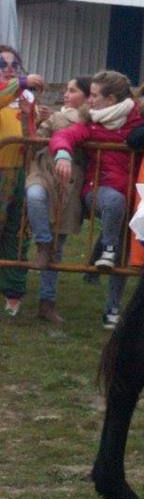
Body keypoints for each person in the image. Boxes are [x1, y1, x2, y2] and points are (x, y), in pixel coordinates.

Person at [50, 70, 144, 328]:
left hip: (138, 196)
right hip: (99, 190)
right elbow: (65, 135)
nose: (89, 100)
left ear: (111, 98)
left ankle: (113, 309)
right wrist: (62, 153)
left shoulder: (140, 121)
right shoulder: (90, 123)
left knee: (124, 256)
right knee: (114, 203)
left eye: (93, 95)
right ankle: (107, 247)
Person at [25, 74, 92, 323]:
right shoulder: (55, 116)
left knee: (59, 247)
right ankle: (42, 241)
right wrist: (32, 118)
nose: (66, 94)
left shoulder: (93, 122)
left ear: (87, 96)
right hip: (44, 171)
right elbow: (33, 138)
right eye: (66, 89)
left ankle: (47, 302)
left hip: (69, 184)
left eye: (73, 90)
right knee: (34, 195)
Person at [0, 46, 44, 316]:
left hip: (21, 172)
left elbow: (32, 138)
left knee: (18, 232)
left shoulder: (24, 95)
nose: (9, 68)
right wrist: (22, 82)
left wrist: (29, 115)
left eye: (14, 64)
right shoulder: (12, 90)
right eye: (2, 64)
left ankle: (13, 293)